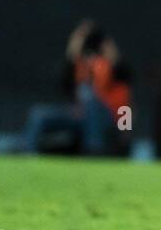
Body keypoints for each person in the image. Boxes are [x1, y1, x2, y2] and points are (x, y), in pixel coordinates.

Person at [24, 20, 132, 156]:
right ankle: (28, 154)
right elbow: (68, 72)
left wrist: (125, 131)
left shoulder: (115, 72)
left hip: (108, 123)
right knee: (38, 114)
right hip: (81, 117)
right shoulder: (81, 67)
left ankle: (93, 152)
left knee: (92, 104)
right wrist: (78, 39)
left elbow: (125, 108)